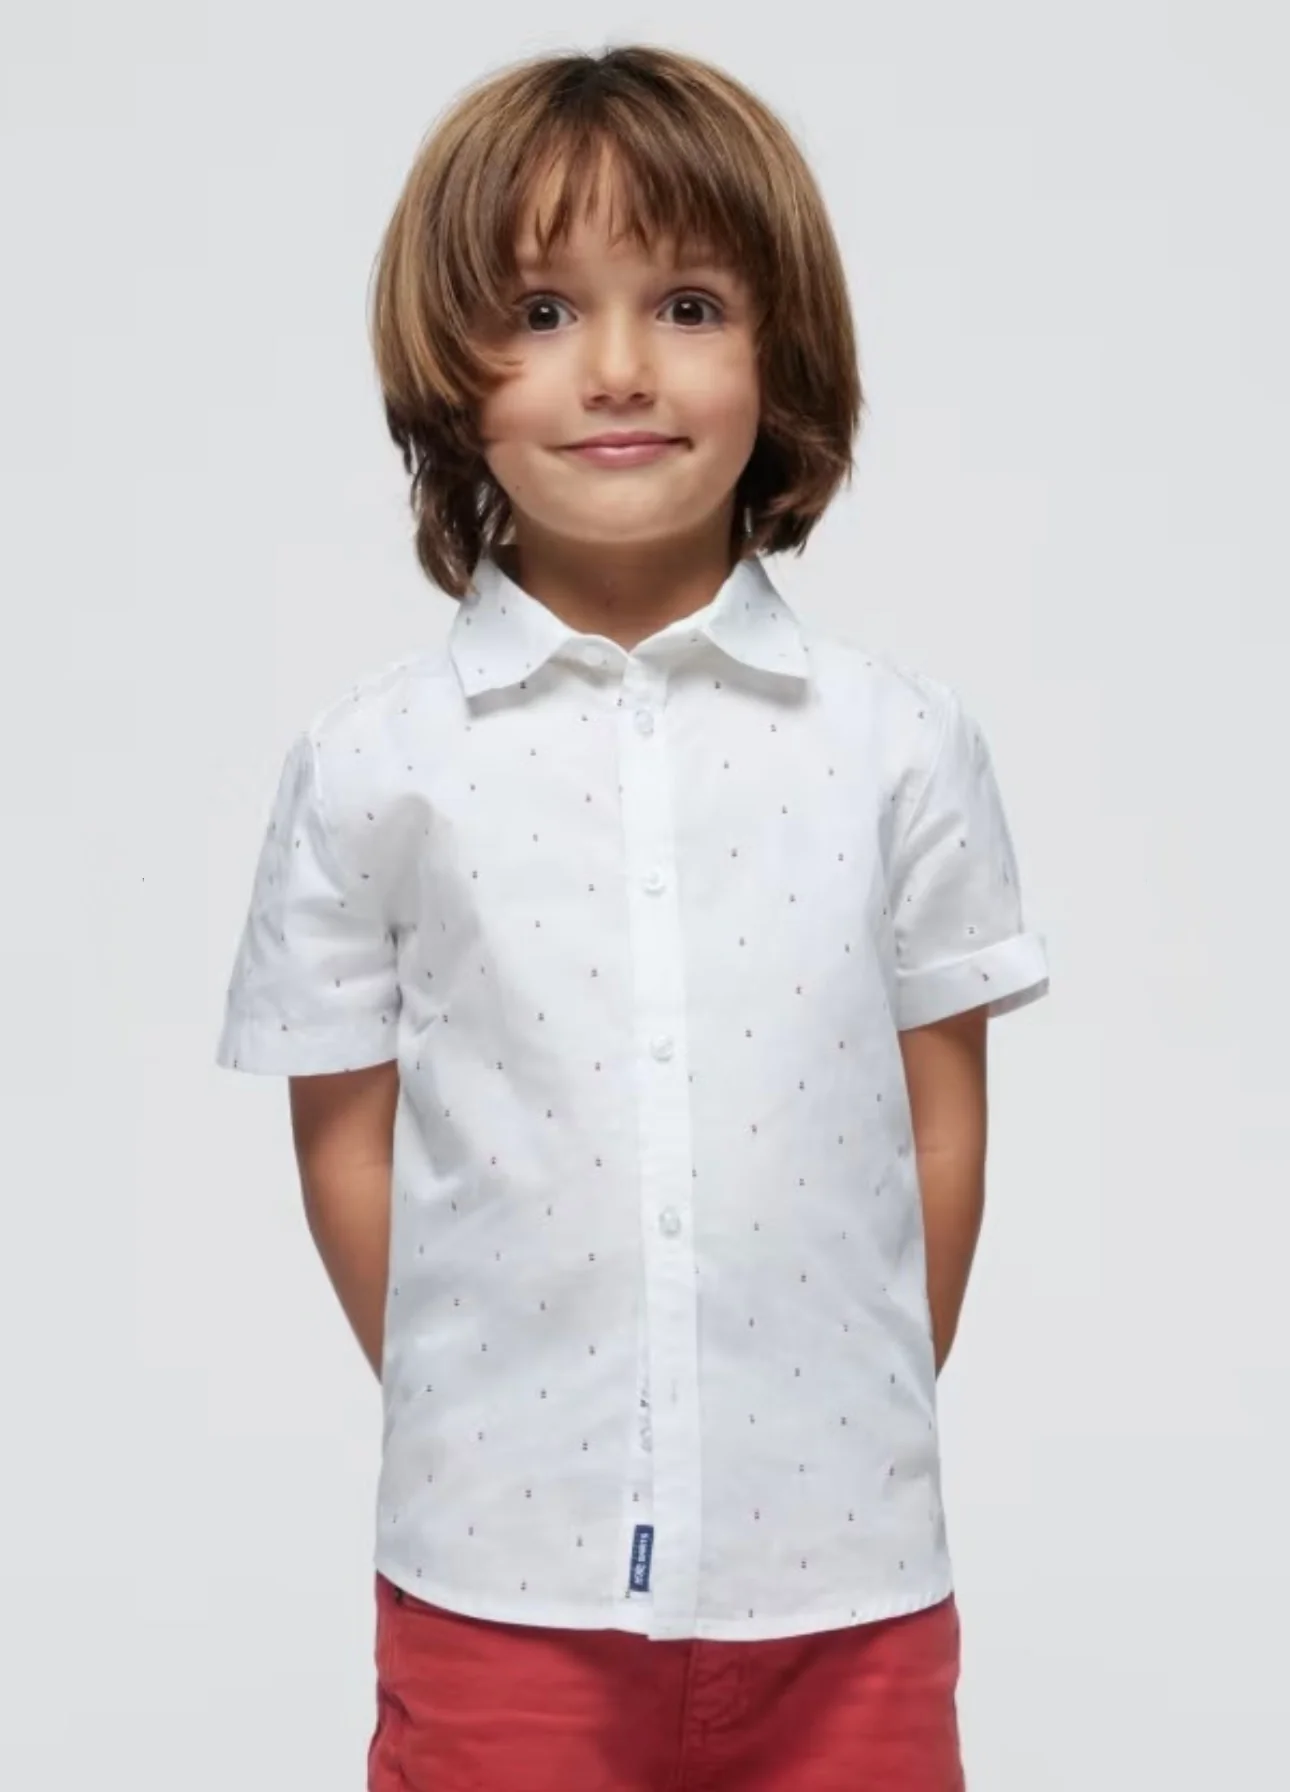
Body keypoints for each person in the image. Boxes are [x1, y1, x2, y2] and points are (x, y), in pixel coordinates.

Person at [215, 42, 1050, 1792]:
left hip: (845, 1586)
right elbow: (346, 1139)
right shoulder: (374, 762)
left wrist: (836, 1414)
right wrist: (485, 1410)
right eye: (538, 312)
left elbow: (939, 1122)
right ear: (446, 375)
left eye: (685, 305)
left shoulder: (898, 744)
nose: (614, 368)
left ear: (780, 357)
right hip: (496, 1585)